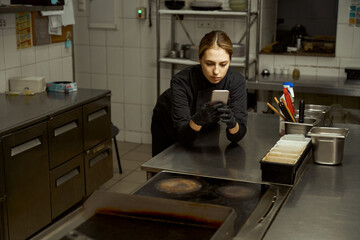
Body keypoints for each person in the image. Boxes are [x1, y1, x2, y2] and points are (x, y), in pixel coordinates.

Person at [151, 30, 247, 157]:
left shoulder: (236, 81)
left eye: (223, 64)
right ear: (200, 59)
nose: (216, 72)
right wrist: (199, 119)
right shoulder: (181, 81)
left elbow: (236, 136)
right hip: (169, 126)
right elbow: (183, 135)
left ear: (230, 60)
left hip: (204, 129)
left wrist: (233, 123)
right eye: (209, 64)